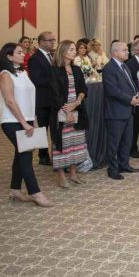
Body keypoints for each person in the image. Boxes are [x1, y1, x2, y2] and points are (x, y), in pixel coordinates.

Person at [0, 43, 52, 207]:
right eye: (19, 52)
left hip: (27, 119)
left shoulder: (23, 72)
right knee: (26, 154)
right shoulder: (5, 74)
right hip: (11, 121)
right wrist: (24, 122)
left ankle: (15, 189)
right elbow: (9, 101)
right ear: (9, 56)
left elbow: (29, 98)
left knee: (21, 153)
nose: (24, 54)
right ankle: (35, 192)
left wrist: (33, 120)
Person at [49, 40, 88, 188]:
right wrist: (67, 110)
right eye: (71, 49)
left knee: (75, 143)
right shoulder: (54, 70)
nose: (74, 51)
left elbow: (83, 89)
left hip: (77, 109)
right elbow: (55, 93)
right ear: (63, 51)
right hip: (61, 111)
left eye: (74, 49)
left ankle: (73, 173)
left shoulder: (76, 69)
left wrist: (77, 102)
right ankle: (61, 176)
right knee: (62, 143)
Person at [102, 41, 139, 180]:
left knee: (126, 140)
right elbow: (112, 90)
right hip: (116, 112)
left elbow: (130, 84)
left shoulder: (124, 66)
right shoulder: (109, 68)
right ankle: (112, 169)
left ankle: (124, 164)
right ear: (115, 52)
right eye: (124, 50)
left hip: (128, 110)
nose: (127, 52)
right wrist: (130, 99)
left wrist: (136, 94)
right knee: (114, 143)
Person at [28, 31, 56, 166]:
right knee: (43, 129)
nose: (53, 42)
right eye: (50, 40)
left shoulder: (53, 56)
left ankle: (56, 154)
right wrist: (55, 80)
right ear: (41, 42)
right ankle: (43, 156)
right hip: (43, 99)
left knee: (55, 128)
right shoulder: (35, 58)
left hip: (54, 99)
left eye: (53, 40)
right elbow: (37, 80)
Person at [126, 38, 139, 158]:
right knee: (136, 124)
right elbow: (131, 81)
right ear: (135, 50)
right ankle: (132, 148)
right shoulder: (130, 63)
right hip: (137, 97)